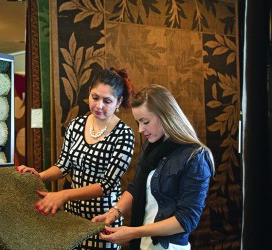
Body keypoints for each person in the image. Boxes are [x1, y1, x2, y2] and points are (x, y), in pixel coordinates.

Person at [16, 67, 135, 249]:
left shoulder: (124, 135)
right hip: (73, 216)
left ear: (118, 102)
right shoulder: (76, 125)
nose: (99, 105)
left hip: (101, 219)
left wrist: (64, 195)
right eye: (95, 97)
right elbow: (64, 165)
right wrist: (38, 176)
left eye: (107, 101)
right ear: (89, 93)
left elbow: (106, 185)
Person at [92, 84, 215, 250]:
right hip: (144, 244)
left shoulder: (195, 157)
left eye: (145, 122)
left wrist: (134, 232)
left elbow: (187, 219)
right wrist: (113, 213)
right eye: (138, 123)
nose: (141, 130)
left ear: (166, 115)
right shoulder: (152, 147)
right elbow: (136, 188)